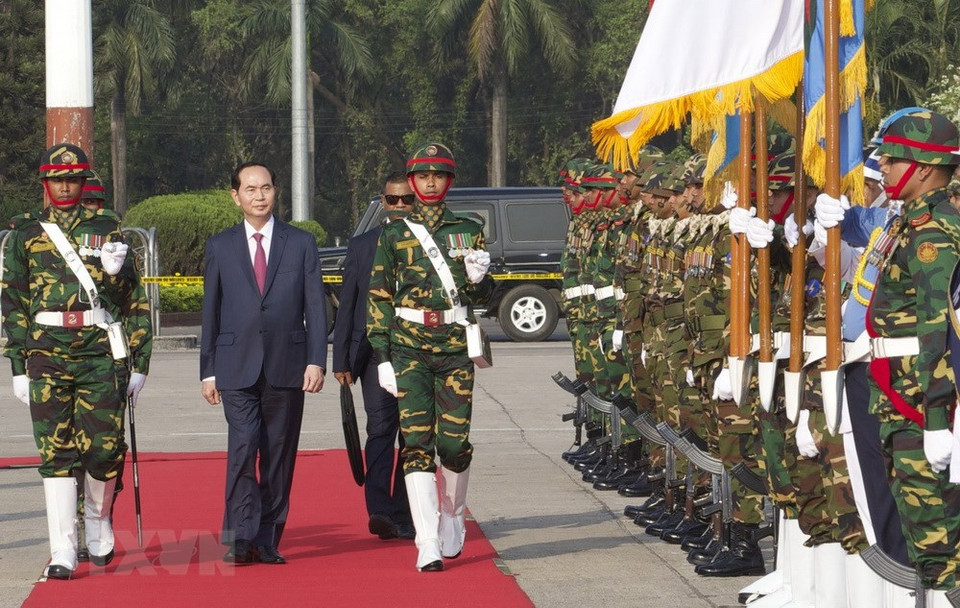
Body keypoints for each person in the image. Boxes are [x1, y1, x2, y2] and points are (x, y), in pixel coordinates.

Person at [1, 143, 152, 580]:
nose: (65, 186)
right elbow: (13, 302)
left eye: (72, 179)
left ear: (84, 182)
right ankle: (63, 549)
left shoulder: (108, 228)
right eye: (57, 180)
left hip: (98, 350)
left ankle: (98, 519)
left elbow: (133, 298)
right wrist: (17, 366)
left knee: (104, 449)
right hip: (46, 350)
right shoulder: (26, 234)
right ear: (45, 184)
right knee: (55, 451)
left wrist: (140, 359)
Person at [367, 142, 494, 572]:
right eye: (423, 175)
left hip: (455, 348)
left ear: (449, 180)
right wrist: (382, 355)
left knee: (454, 445)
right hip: (409, 350)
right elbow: (379, 297)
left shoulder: (468, 229)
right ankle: (427, 541)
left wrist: (480, 278)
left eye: (438, 175)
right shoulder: (394, 234)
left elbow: (483, 295)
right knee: (416, 444)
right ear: (412, 180)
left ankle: (453, 515)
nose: (430, 182)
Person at [200, 161, 327, 565]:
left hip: (287, 364)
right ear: (235, 196)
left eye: (266, 188)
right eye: (250, 189)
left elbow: (315, 306)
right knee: (242, 448)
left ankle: (268, 538)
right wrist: (208, 370)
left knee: (278, 454)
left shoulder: (300, 242)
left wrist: (316, 360)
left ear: (276, 191)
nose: (260, 196)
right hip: (235, 365)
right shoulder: (220, 246)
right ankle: (240, 537)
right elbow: (210, 311)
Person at [332, 172, 415, 541]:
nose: (400, 206)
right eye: (393, 199)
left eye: (406, 199)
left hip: (419, 354)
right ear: (383, 202)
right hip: (374, 355)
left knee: (413, 436)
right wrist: (341, 360)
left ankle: (406, 512)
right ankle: (380, 510)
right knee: (380, 430)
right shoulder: (363, 245)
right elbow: (349, 303)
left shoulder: (431, 241)